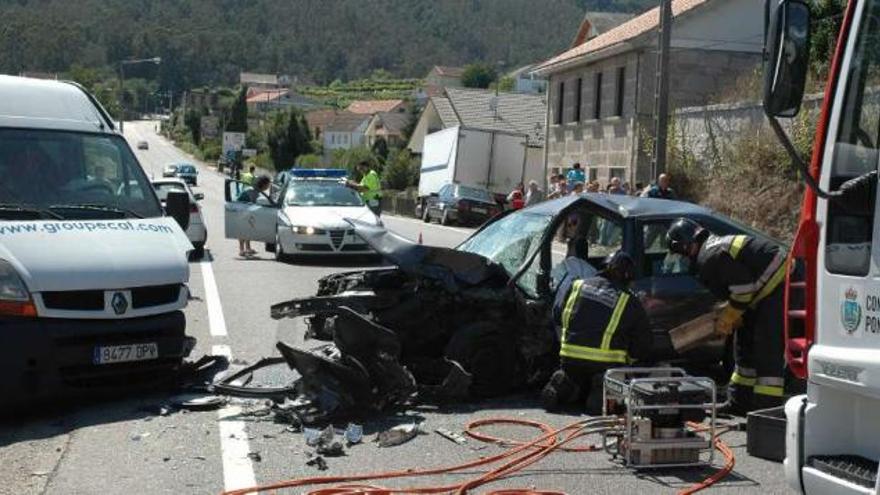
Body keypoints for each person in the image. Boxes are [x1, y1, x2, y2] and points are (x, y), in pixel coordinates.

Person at [666, 218, 787, 413]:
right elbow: (740, 290)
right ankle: (739, 404)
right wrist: (730, 311)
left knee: (766, 350)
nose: (684, 259)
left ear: (685, 246)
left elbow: (743, 291)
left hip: (780, 286)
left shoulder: (710, 256)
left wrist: (729, 316)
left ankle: (766, 415)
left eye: (681, 254)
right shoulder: (710, 250)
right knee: (743, 348)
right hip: (762, 292)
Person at [542, 251, 653, 413]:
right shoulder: (628, 300)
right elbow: (643, 344)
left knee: (575, 377)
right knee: (605, 383)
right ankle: (601, 391)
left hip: (569, 358)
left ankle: (564, 383)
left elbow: (557, 315)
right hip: (605, 365)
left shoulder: (577, 285)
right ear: (627, 277)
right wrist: (632, 359)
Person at [236, 175, 271, 257]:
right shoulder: (253, 191)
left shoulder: (257, 190)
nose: (268, 186)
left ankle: (248, 248)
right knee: (243, 229)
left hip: (246, 210)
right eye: (268, 184)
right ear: (263, 184)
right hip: (241, 210)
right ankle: (241, 249)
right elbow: (254, 204)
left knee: (248, 229)